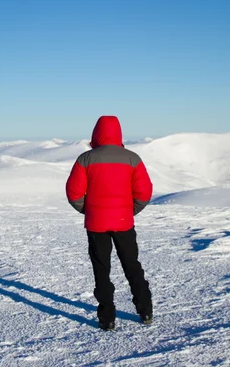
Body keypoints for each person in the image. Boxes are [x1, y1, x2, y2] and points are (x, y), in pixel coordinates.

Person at [66, 115, 153, 331]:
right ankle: (145, 311)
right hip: (124, 222)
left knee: (101, 270)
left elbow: (73, 192)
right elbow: (144, 191)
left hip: (96, 224)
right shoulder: (132, 158)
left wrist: (89, 211)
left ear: (96, 133)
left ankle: (107, 319)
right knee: (132, 266)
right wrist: (130, 211)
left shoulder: (85, 159)